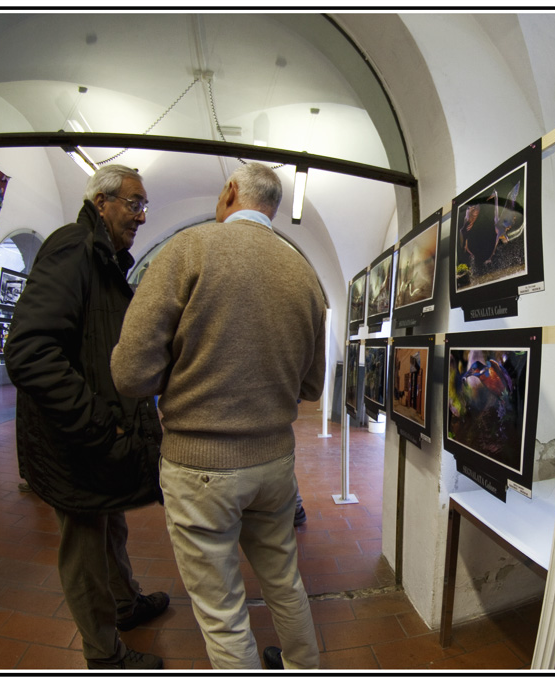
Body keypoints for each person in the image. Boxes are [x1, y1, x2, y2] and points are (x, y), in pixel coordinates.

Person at [110, 162, 325, 670]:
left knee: (222, 610)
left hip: (200, 465)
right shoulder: (304, 272)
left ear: (231, 191)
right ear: (272, 206)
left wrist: (185, 373)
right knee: (284, 580)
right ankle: (303, 667)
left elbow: (129, 372)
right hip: (274, 465)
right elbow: (313, 387)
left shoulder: (189, 249)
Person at [4, 164, 168, 670]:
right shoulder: (73, 248)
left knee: (110, 522)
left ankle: (124, 603)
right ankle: (104, 653)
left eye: (144, 206)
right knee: (83, 549)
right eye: (134, 203)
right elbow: (30, 351)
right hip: (71, 440)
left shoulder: (101, 258)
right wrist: (100, 420)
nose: (142, 216)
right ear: (102, 202)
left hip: (95, 441)